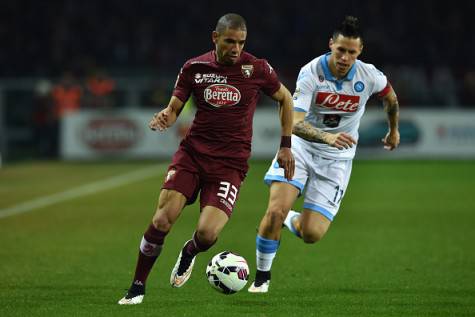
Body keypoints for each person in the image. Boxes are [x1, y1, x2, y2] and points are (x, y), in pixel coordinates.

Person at [118, 13, 295, 305]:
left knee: (208, 234)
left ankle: (189, 252)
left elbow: (285, 99)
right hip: (193, 155)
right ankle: (137, 287)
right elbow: (175, 106)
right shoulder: (194, 67)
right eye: (229, 41)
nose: (236, 48)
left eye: (241, 42)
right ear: (215, 38)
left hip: (230, 165)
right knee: (162, 219)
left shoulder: (257, 68)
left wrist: (286, 146)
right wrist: (167, 115)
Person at [248, 16, 400, 293]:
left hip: (337, 161)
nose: (344, 57)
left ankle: (291, 218)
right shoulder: (311, 74)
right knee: (273, 211)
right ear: (331, 44)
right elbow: (293, 122)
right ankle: (261, 278)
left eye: (351, 52)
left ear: (360, 51)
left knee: (312, 234)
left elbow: (390, 98)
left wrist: (393, 131)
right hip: (301, 150)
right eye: (340, 50)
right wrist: (327, 137)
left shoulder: (369, 76)